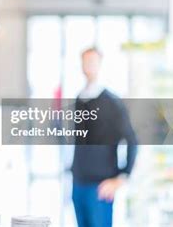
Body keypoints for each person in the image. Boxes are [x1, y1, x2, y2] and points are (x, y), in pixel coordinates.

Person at [71, 47, 138, 227]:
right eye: (85, 62)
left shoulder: (112, 102)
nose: (89, 66)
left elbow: (132, 140)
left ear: (100, 65)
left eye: (93, 62)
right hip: (78, 183)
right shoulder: (79, 99)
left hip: (100, 186)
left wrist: (122, 177)